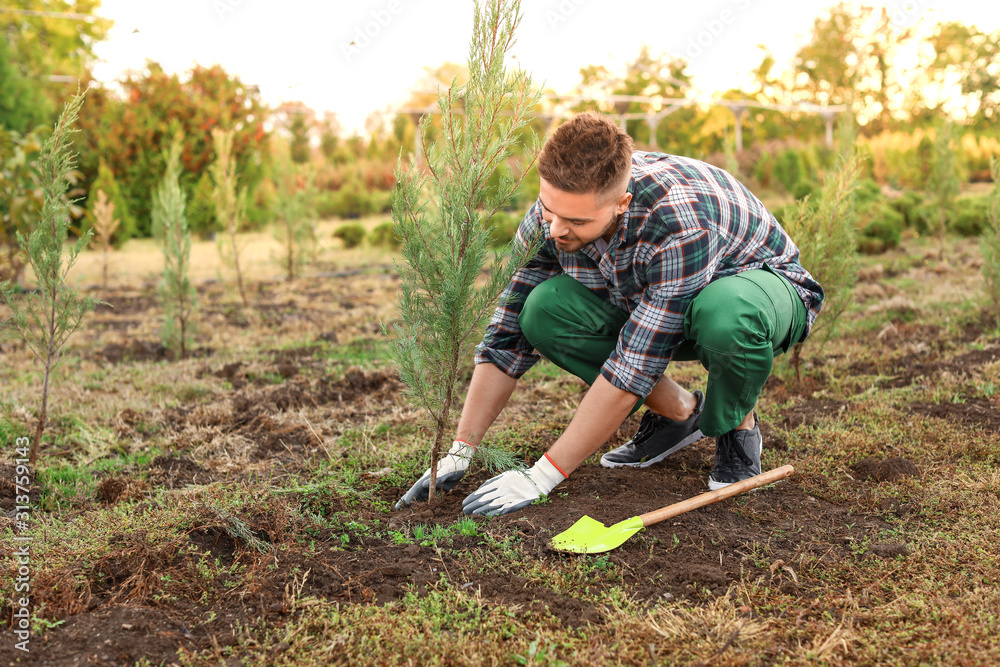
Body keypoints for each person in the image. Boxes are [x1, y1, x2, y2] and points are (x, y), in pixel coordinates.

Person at [396, 112, 823, 517]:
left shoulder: (679, 221)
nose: (556, 229)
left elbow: (636, 363)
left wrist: (541, 477)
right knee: (541, 309)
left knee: (725, 314)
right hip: (657, 303)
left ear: (621, 203)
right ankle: (681, 415)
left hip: (759, 291)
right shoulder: (552, 219)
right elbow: (506, 336)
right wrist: (460, 451)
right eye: (549, 209)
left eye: (576, 220)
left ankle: (737, 427)